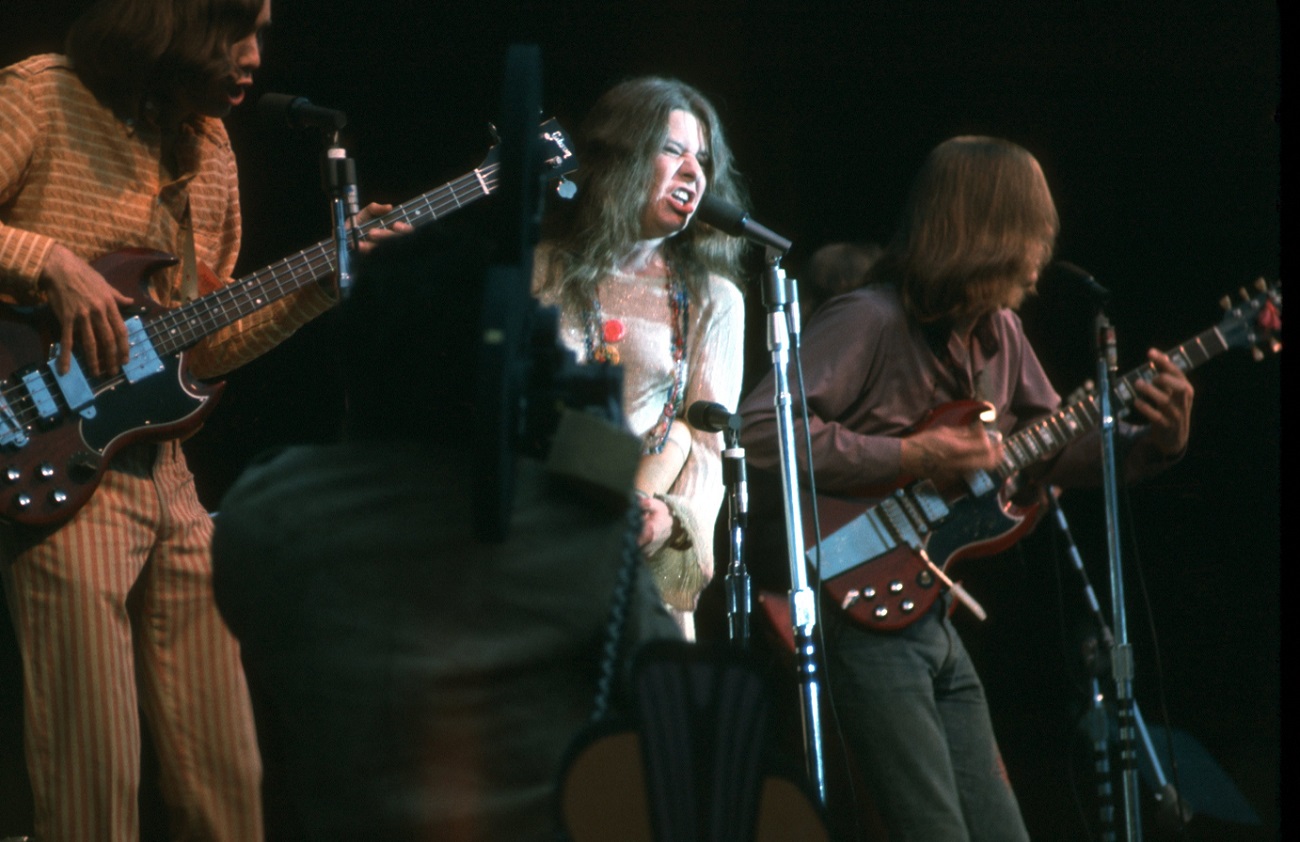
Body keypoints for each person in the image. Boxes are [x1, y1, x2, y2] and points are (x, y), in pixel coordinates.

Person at [0, 1, 406, 839]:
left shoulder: (211, 149)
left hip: (172, 484)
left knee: (229, 787)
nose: (254, 57)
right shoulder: (42, 95)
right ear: (169, 23)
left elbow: (202, 347)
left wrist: (322, 284)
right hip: (59, 464)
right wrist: (49, 262)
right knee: (93, 783)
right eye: (236, 31)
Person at [738, 136, 1193, 841]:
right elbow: (762, 426)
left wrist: (1155, 446)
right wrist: (911, 454)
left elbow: (1052, 453)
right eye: (1031, 232)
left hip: (927, 617)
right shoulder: (869, 317)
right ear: (987, 232)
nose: (1041, 254)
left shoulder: (1000, 334)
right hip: (853, 606)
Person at [211, 216, 684, 840]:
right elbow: (675, 716)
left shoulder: (266, 512)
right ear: (506, 372)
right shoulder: (579, 535)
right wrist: (582, 447)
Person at [532, 76, 749, 640]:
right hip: (542, 535)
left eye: (702, 159)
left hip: (640, 548)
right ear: (621, 156)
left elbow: (707, 444)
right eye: (673, 150)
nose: (693, 172)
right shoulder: (539, 270)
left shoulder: (714, 299)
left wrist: (674, 523)